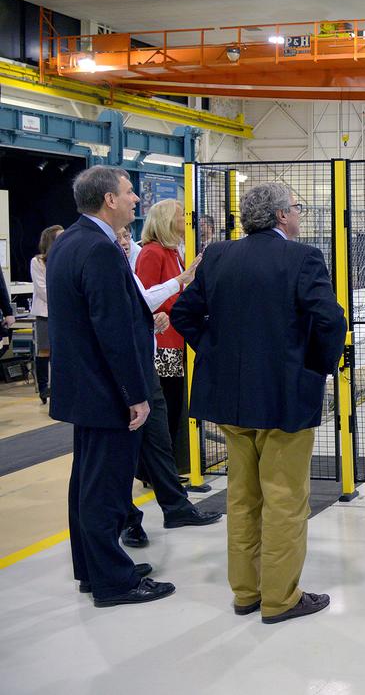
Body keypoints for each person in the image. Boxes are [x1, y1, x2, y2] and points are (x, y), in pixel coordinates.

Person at [172, 183, 345, 624]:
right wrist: (315, 368)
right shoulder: (302, 257)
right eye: (298, 208)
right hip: (284, 401)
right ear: (284, 215)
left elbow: (184, 314)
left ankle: (246, 592)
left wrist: (215, 354)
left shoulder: (218, 256)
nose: (300, 215)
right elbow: (330, 320)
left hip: (231, 401)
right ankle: (281, 599)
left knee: (242, 498)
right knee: (285, 498)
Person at [46, 165, 174, 607]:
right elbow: (111, 331)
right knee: (105, 489)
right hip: (106, 391)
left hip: (84, 388)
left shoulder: (70, 242)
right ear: (109, 200)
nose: (137, 199)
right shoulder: (99, 250)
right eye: (129, 192)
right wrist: (135, 395)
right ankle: (114, 582)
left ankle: (93, 568)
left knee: (87, 482)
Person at [117, 223, 219, 549]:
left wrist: (152, 319)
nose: (123, 241)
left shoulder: (138, 258)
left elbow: (141, 302)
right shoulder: (147, 254)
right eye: (118, 235)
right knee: (124, 446)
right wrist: (181, 280)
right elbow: (134, 306)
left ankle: (176, 506)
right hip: (127, 366)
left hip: (148, 357)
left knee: (160, 436)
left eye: (124, 236)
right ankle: (127, 519)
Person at [136, 199, 199, 483]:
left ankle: (167, 465)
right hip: (164, 344)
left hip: (177, 339)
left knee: (174, 406)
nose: (185, 220)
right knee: (167, 406)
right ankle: (155, 469)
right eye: (180, 216)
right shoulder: (152, 253)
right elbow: (147, 297)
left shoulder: (173, 253)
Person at [30, 225, 62, 404]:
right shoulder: (38, 262)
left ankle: (59, 386)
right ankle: (44, 388)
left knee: (61, 351)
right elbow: (42, 289)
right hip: (45, 313)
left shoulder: (64, 258)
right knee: (44, 350)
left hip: (63, 314)